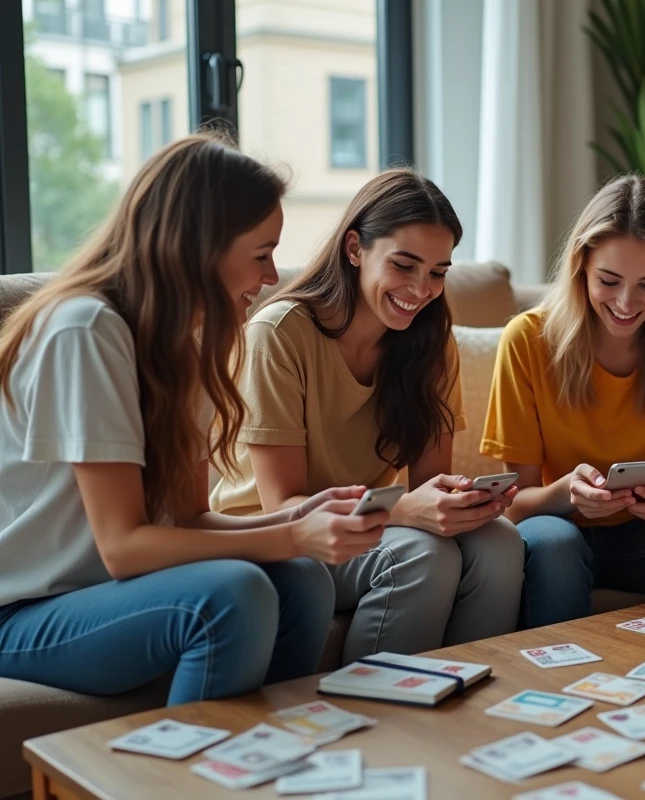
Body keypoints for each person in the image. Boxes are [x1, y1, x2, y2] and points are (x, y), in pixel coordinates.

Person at [0, 135, 389, 705]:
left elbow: (189, 521)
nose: (271, 274)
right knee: (233, 594)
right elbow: (123, 547)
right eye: (261, 253)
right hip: (23, 611)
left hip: (112, 592)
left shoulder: (188, 346)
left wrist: (298, 519)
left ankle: (281, 769)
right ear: (199, 246)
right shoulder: (85, 330)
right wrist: (288, 535)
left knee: (303, 579)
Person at [211, 169, 524, 663]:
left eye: (438, 272)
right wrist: (402, 510)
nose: (422, 290)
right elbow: (281, 504)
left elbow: (431, 483)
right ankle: (375, 713)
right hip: (276, 537)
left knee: (501, 542)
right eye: (404, 265)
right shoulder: (279, 334)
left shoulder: (431, 343)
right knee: (423, 556)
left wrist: (464, 503)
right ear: (355, 249)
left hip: (366, 527)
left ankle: (474, 707)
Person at [482, 174, 645, 628]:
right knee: (554, 545)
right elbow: (516, 503)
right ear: (581, 267)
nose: (627, 302)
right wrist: (567, 493)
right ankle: (566, 679)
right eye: (609, 280)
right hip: (558, 527)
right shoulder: (527, 340)